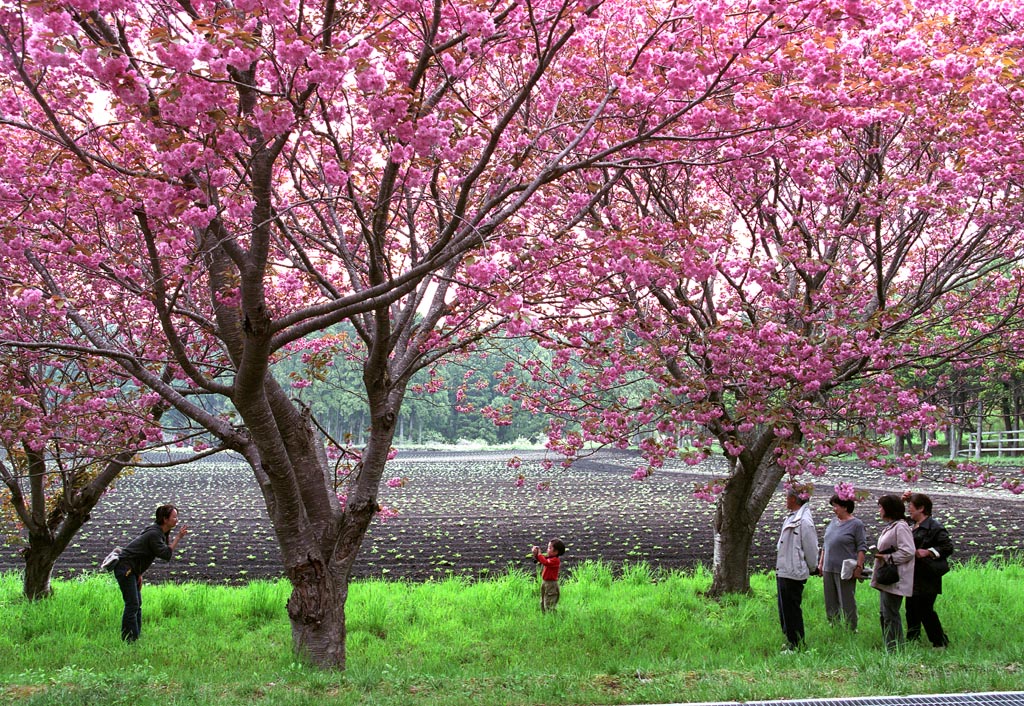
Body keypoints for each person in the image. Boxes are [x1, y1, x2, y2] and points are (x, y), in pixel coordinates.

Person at [114, 504, 188, 642]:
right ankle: (129, 640)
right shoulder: (154, 533)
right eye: (174, 517)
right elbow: (165, 554)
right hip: (125, 568)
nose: (177, 520)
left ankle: (135, 637)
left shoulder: (159, 532)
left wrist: (139, 574)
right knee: (132, 604)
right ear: (165, 519)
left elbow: (141, 553)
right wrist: (178, 538)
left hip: (132, 569)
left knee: (136, 604)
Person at [903, 491, 954, 648]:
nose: (908, 509)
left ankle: (939, 642)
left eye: (910, 506)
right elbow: (896, 517)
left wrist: (929, 552)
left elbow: (948, 547)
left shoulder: (935, 527)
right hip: (913, 574)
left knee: (925, 610)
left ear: (921, 508)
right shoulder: (913, 525)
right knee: (911, 609)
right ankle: (912, 640)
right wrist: (902, 499)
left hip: (927, 575)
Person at [775, 487, 819, 652]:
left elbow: (811, 547)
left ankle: (797, 644)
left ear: (794, 499)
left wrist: (813, 566)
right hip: (786, 568)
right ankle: (791, 640)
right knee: (785, 608)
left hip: (793, 571)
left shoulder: (804, 521)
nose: (785, 499)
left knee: (792, 609)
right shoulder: (794, 517)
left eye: (787, 496)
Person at [870, 494, 915, 650]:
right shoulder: (892, 526)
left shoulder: (901, 527)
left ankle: (895, 648)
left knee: (891, 614)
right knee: (885, 614)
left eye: (881, 507)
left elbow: (908, 551)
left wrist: (887, 557)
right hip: (888, 577)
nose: (879, 510)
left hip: (895, 577)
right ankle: (890, 646)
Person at [818, 493, 868, 631]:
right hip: (829, 567)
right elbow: (825, 544)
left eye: (836, 506)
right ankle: (834, 626)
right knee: (830, 600)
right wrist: (821, 563)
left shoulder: (856, 524)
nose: (834, 509)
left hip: (844, 569)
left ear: (845, 507)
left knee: (847, 600)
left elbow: (861, 547)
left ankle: (851, 628)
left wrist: (859, 566)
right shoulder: (833, 522)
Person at [531, 539, 565, 612]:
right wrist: (536, 554)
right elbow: (542, 560)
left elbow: (545, 562)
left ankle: (551, 616)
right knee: (543, 599)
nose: (547, 550)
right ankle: (545, 615)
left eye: (549, 548)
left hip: (551, 584)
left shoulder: (555, 560)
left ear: (556, 552)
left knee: (550, 601)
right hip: (545, 582)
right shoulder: (550, 558)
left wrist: (539, 554)